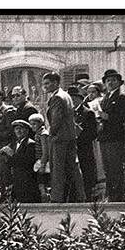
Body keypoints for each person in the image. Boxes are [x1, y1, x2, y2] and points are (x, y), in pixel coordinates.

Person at [42, 71, 85, 203]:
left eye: (47, 83)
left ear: (55, 83)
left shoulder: (57, 97)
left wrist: (51, 134)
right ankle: (80, 196)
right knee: (73, 168)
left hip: (60, 138)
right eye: (44, 84)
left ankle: (57, 198)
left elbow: (56, 120)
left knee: (58, 170)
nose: (45, 87)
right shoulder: (65, 95)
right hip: (70, 137)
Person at [98, 69, 125, 202]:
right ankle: (110, 196)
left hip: (115, 138)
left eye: (113, 80)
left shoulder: (123, 98)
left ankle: (118, 197)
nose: (110, 83)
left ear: (119, 82)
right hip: (104, 137)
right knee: (107, 169)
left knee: (116, 168)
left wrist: (108, 117)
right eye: (108, 81)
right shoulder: (105, 98)